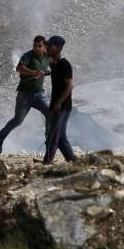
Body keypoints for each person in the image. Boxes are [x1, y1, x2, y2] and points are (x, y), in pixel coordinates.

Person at [0, 35, 51, 153]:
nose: (36, 48)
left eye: (39, 46)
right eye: (34, 46)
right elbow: (19, 68)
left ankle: (49, 140)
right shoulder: (28, 56)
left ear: (45, 47)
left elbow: (53, 65)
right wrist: (33, 72)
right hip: (25, 95)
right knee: (18, 120)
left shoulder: (47, 57)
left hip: (39, 94)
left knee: (50, 113)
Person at [43, 35, 76, 165]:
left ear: (57, 48)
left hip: (63, 106)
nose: (47, 48)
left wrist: (59, 103)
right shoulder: (53, 64)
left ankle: (47, 161)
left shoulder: (64, 64)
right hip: (57, 104)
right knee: (61, 137)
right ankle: (72, 160)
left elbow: (69, 86)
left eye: (50, 46)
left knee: (53, 135)